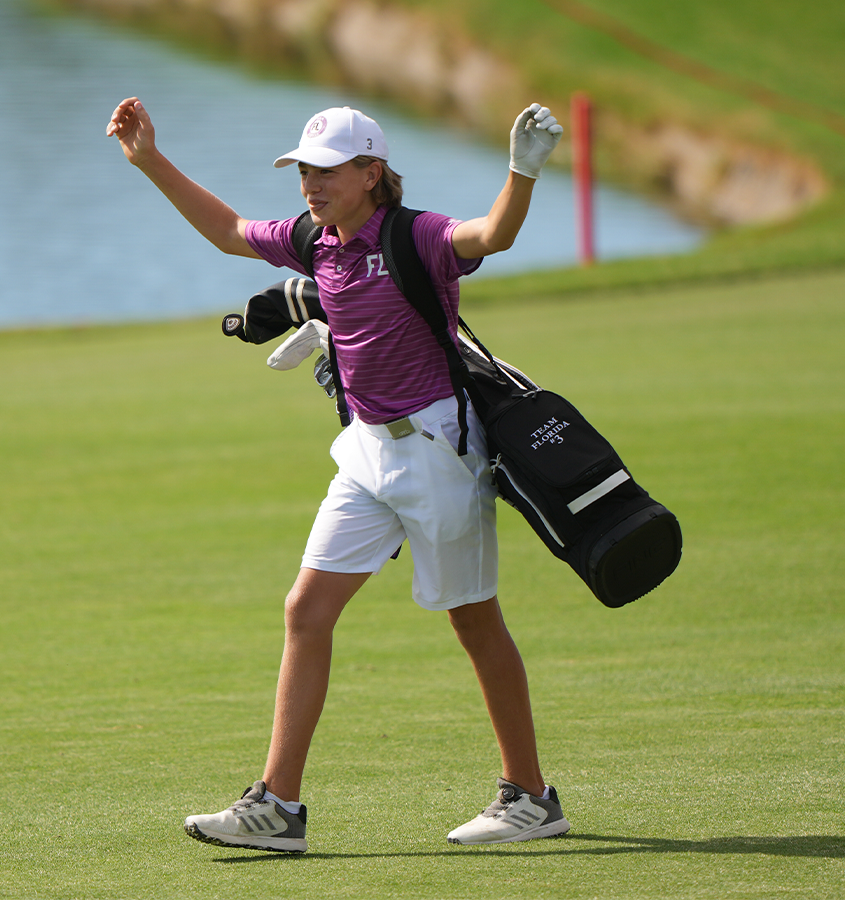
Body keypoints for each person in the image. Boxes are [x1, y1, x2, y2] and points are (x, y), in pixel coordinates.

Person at [105, 97, 568, 850]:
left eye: (324, 172)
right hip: (363, 452)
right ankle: (276, 807)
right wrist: (150, 160)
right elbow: (228, 232)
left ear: (370, 173)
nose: (309, 186)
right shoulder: (316, 242)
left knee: (474, 619)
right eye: (302, 172)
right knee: (305, 610)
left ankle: (531, 797)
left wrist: (520, 173)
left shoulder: (415, 235)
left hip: (438, 449)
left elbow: (492, 235)